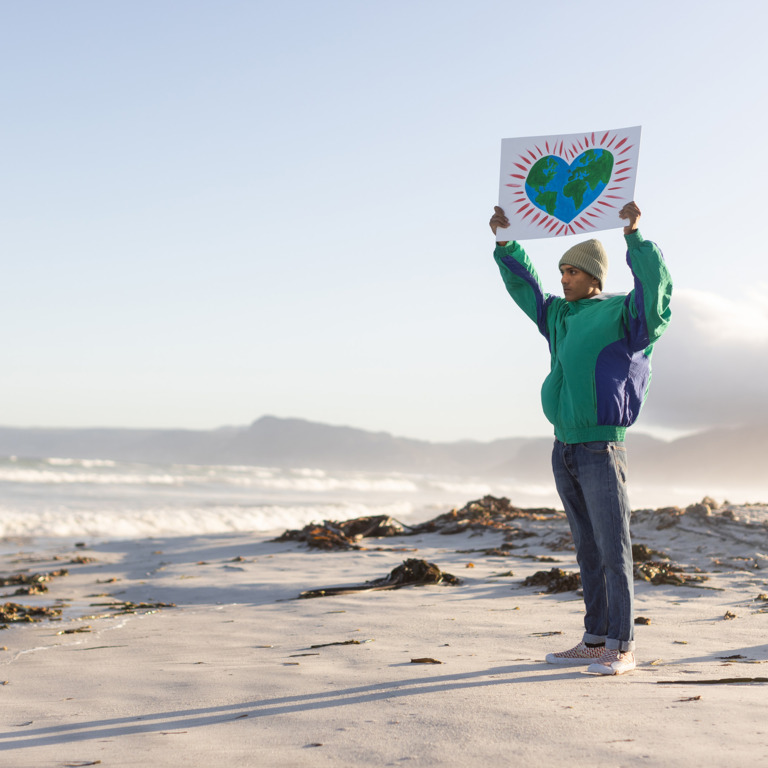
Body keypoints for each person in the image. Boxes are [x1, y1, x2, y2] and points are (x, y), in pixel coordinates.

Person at [489, 201, 672, 675]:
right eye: (562, 271)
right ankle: (595, 639)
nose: (564, 278)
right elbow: (525, 288)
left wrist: (635, 237)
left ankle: (623, 646)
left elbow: (655, 298)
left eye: (573, 271)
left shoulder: (623, 316)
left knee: (615, 548)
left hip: (600, 447)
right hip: (564, 447)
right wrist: (506, 243)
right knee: (587, 550)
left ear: (594, 277)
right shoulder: (559, 318)